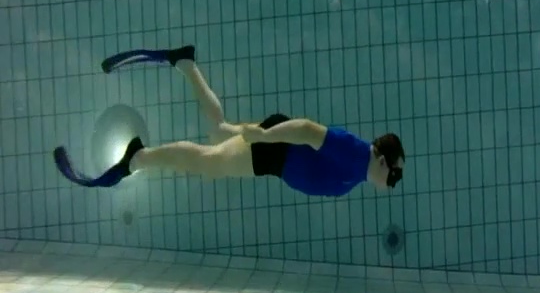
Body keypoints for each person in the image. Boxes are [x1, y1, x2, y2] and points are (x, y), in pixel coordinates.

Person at [53, 45, 406, 197]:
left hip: (277, 153)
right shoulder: (357, 154)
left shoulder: (360, 168)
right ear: (381, 160)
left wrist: (265, 135)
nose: (394, 182)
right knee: (207, 163)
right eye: (395, 174)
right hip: (276, 152)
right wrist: (264, 137)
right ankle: (136, 158)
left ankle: (185, 63)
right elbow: (307, 130)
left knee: (218, 131)